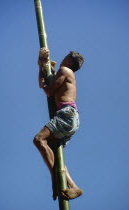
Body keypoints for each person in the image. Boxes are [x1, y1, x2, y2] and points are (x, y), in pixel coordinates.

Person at [33, 49, 84, 200]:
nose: (63, 59)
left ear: (69, 61)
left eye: (66, 57)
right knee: (54, 153)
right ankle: (74, 187)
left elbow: (48, 90)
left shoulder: (65, 70)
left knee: (39, 139)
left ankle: (55, 178)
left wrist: (43, 70)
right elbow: (44, 86)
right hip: (70, 117)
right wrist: (42, 68)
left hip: (66, 114)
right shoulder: (65, 73)